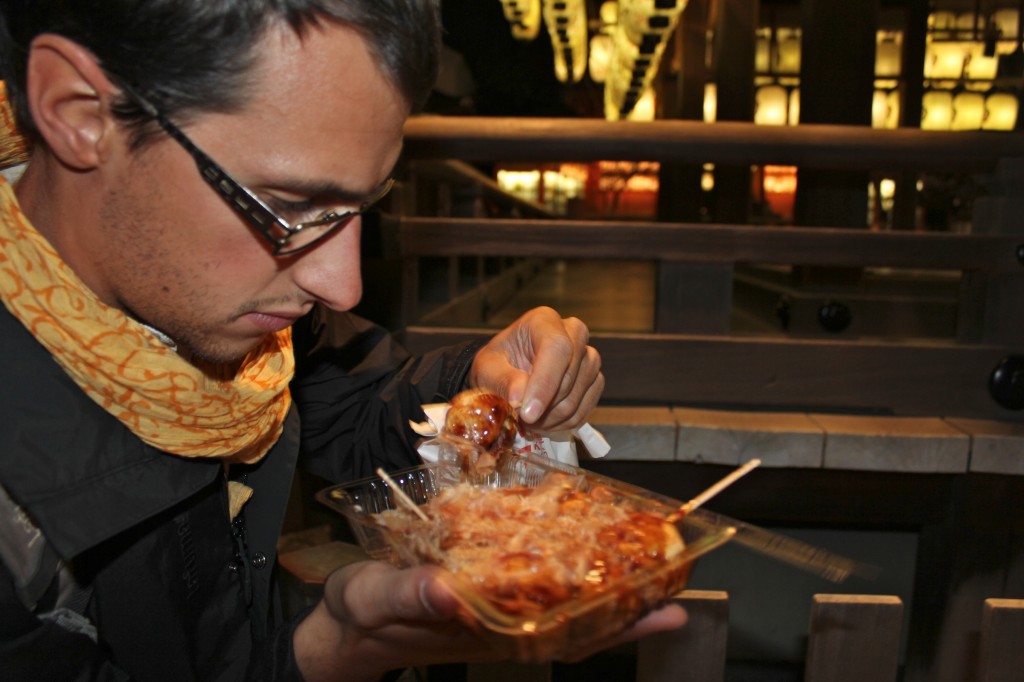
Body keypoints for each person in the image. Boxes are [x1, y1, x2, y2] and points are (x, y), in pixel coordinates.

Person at [0, 1, 686, 680]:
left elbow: (353, 405)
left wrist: (473, 387)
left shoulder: (231, 309)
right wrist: (326, 656)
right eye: (289, 207)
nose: (342, 284)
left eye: (363, 208)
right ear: (79, 111)